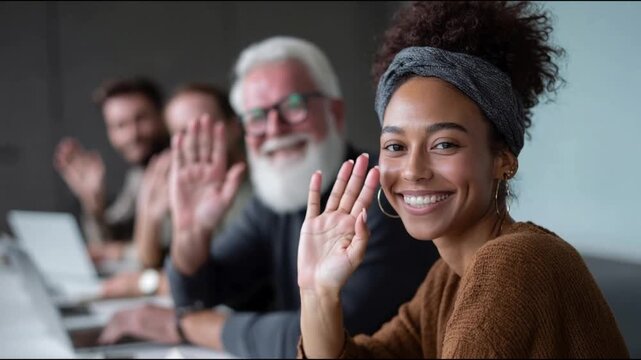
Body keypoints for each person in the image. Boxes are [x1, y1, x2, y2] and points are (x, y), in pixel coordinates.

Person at [297, 1, 629, 358]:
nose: (412, 170)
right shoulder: (446, 279)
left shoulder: (515, 264)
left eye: (444, 144)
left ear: (503, 160)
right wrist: (317, 293)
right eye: (395, 145)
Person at [152, 36, 440, 358]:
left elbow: (333, 334)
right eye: (257, 116)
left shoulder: (383, 193)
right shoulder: (275, 200)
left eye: (293, 106)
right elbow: (198, 294)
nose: (274, 129)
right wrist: (191, 233)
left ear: (335, 112)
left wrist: (192, 327)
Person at [99, 83, 250, 300]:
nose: (193, 140)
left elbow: (226, 279)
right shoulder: (187, 184)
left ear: (233, 127)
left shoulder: (261, 191)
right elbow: (152, 258)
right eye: (181, 132)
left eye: (204, 126)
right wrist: (149, 216)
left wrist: (146, 283)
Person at [53, 77, 169, 265]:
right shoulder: (138, 175)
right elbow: (115, 239)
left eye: (141, 119)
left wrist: (117, 252)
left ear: (161, 116)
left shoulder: (178, 168)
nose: (133, 134)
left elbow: (165, 250)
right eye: (120, 125)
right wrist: (94, 206)